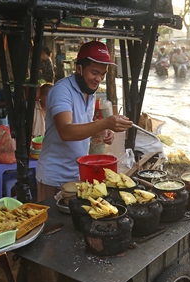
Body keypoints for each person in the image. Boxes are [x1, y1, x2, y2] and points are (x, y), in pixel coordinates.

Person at [36, 41, 134, 201]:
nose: (99, 79)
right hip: (54, 176)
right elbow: (66, 131)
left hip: (79, 173)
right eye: (95, 72)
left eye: (103, 74)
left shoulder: (89, 90)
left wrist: (101, 130)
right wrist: (105, 123)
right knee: (53, 224)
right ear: (79, 69)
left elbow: (81, 124)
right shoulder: (62, 91)